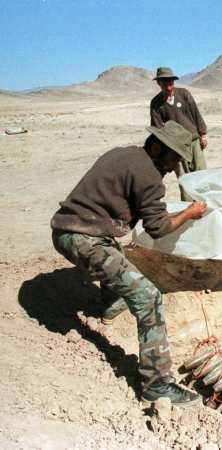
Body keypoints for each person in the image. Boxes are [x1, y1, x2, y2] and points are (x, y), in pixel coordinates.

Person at [50, 121, 208, 406]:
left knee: (119, 258)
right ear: (157, 147)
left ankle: (110, 306)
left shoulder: (125, 153)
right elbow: (158, 228)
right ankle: (158, 384)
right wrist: (189, 213)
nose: (173, 167)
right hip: (83, 239)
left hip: (68, 229)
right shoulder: (149, 174)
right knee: (148, 297)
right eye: (173, 159)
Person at [150, 67, 208, 202]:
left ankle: (205, 205)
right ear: (159, 84)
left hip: (194, 141)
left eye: (171, 84)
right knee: (184, 178)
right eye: (165, 85)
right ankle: (189, 211)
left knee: (202, 175)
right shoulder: (156, 103)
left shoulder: (184, 94)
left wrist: (203, 135)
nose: (169, 88)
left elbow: (196, 114)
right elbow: (157, 128)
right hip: (176, 147)